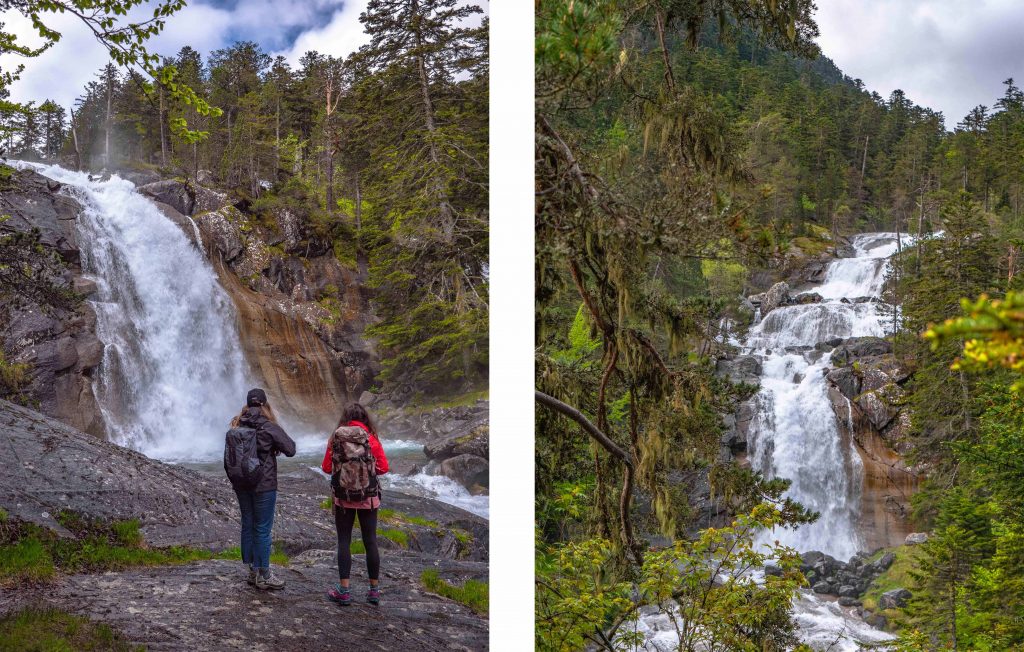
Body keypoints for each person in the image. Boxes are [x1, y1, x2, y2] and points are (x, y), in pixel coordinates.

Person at [225, 388, 296, 590]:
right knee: (263, 528)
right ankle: (264, 574)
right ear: (264, 405)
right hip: (264, 484)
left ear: (248, 405)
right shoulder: (268, 426)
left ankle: (252, 571)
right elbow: (291, 449)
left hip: (241, 483)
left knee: (248, 524)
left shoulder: (237, 425)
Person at [322, 402, 389, 606]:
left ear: (345, 418)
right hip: (368, 497)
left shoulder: (336, 438)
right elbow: (383, 468)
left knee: (344, 541)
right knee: (370, 542)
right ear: (364, 418)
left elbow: (326, 468)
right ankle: (374, 591)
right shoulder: (371, 439)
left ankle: (344, 591)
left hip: (343, 498)